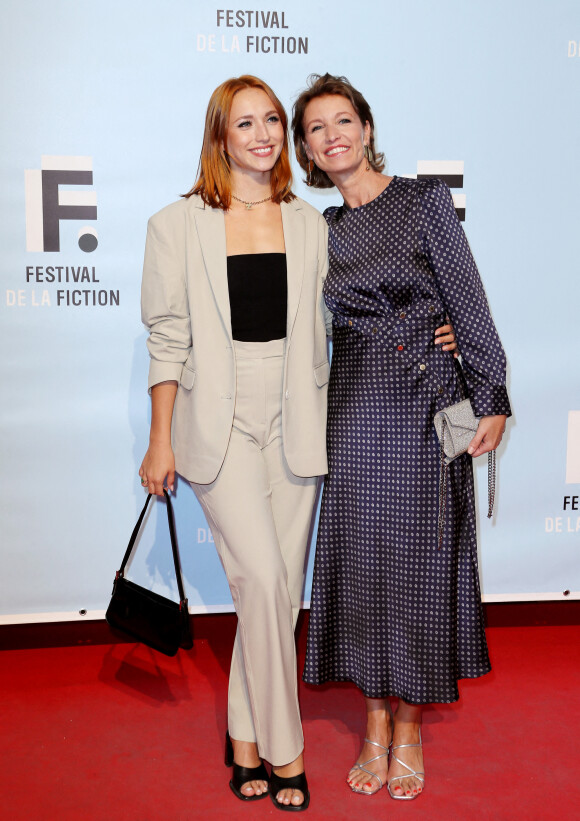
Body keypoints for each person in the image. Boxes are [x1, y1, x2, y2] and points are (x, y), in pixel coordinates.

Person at [138, 74, 456, 812]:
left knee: (275, 601)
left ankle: (243, 736)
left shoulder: (312, 222)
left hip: (298, 418)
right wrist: (160, 440)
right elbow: (168, 339)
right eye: (244, 123)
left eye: (273, 120)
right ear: (220, 136)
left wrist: (439, 334)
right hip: (216, 421)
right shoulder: (174, 224)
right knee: (264, 582)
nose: (262, 134)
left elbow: (369, 303)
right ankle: (287, 751)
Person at [291, 73, 511, 801]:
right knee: (362, 565)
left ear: (366, 126)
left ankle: (409, 727)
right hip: (351, 410)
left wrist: (491, 392)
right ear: (307, 150)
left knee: (417, 564)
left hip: (422, 402)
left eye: (343, 119)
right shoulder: (321, 228)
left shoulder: (421, 202)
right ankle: (374, 720)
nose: (334, 135)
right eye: (318, 128)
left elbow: (466, 297)